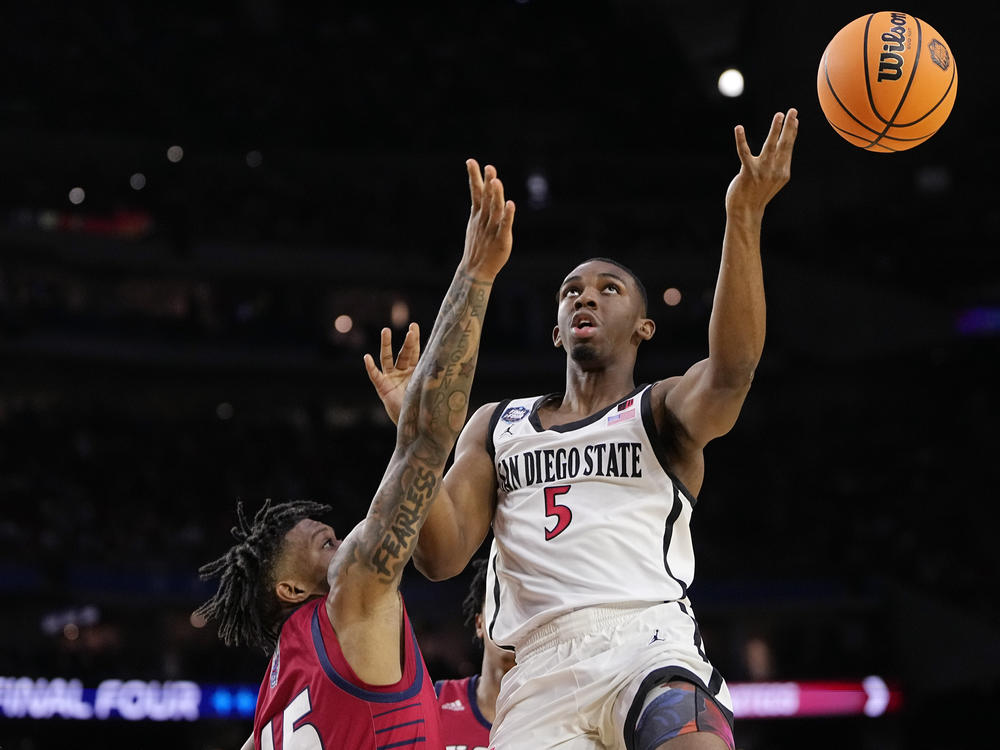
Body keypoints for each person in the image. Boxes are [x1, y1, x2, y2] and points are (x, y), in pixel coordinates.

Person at [369, 109, 799, 749]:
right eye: (571, 291)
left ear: (643, 327)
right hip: (536, 671)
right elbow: (439, 555)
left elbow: (733, 370)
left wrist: (745, 215)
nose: (585, 297)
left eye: (608, 288)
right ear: (556, 331)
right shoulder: (497, 425)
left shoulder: (660, 412)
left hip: (648, 642)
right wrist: (416, 435)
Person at [194, 158, 515, 750]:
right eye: (308, 537)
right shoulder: (352, 593)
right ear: (291, 591)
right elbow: (428, 441)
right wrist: (476, 272)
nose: (320, 524)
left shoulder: (273, 700)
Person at [434, 558, 516, 750]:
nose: (514, 621)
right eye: (502, 604)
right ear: (479, 623)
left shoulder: (562, 712)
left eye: (525, 611)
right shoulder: (435, 701)